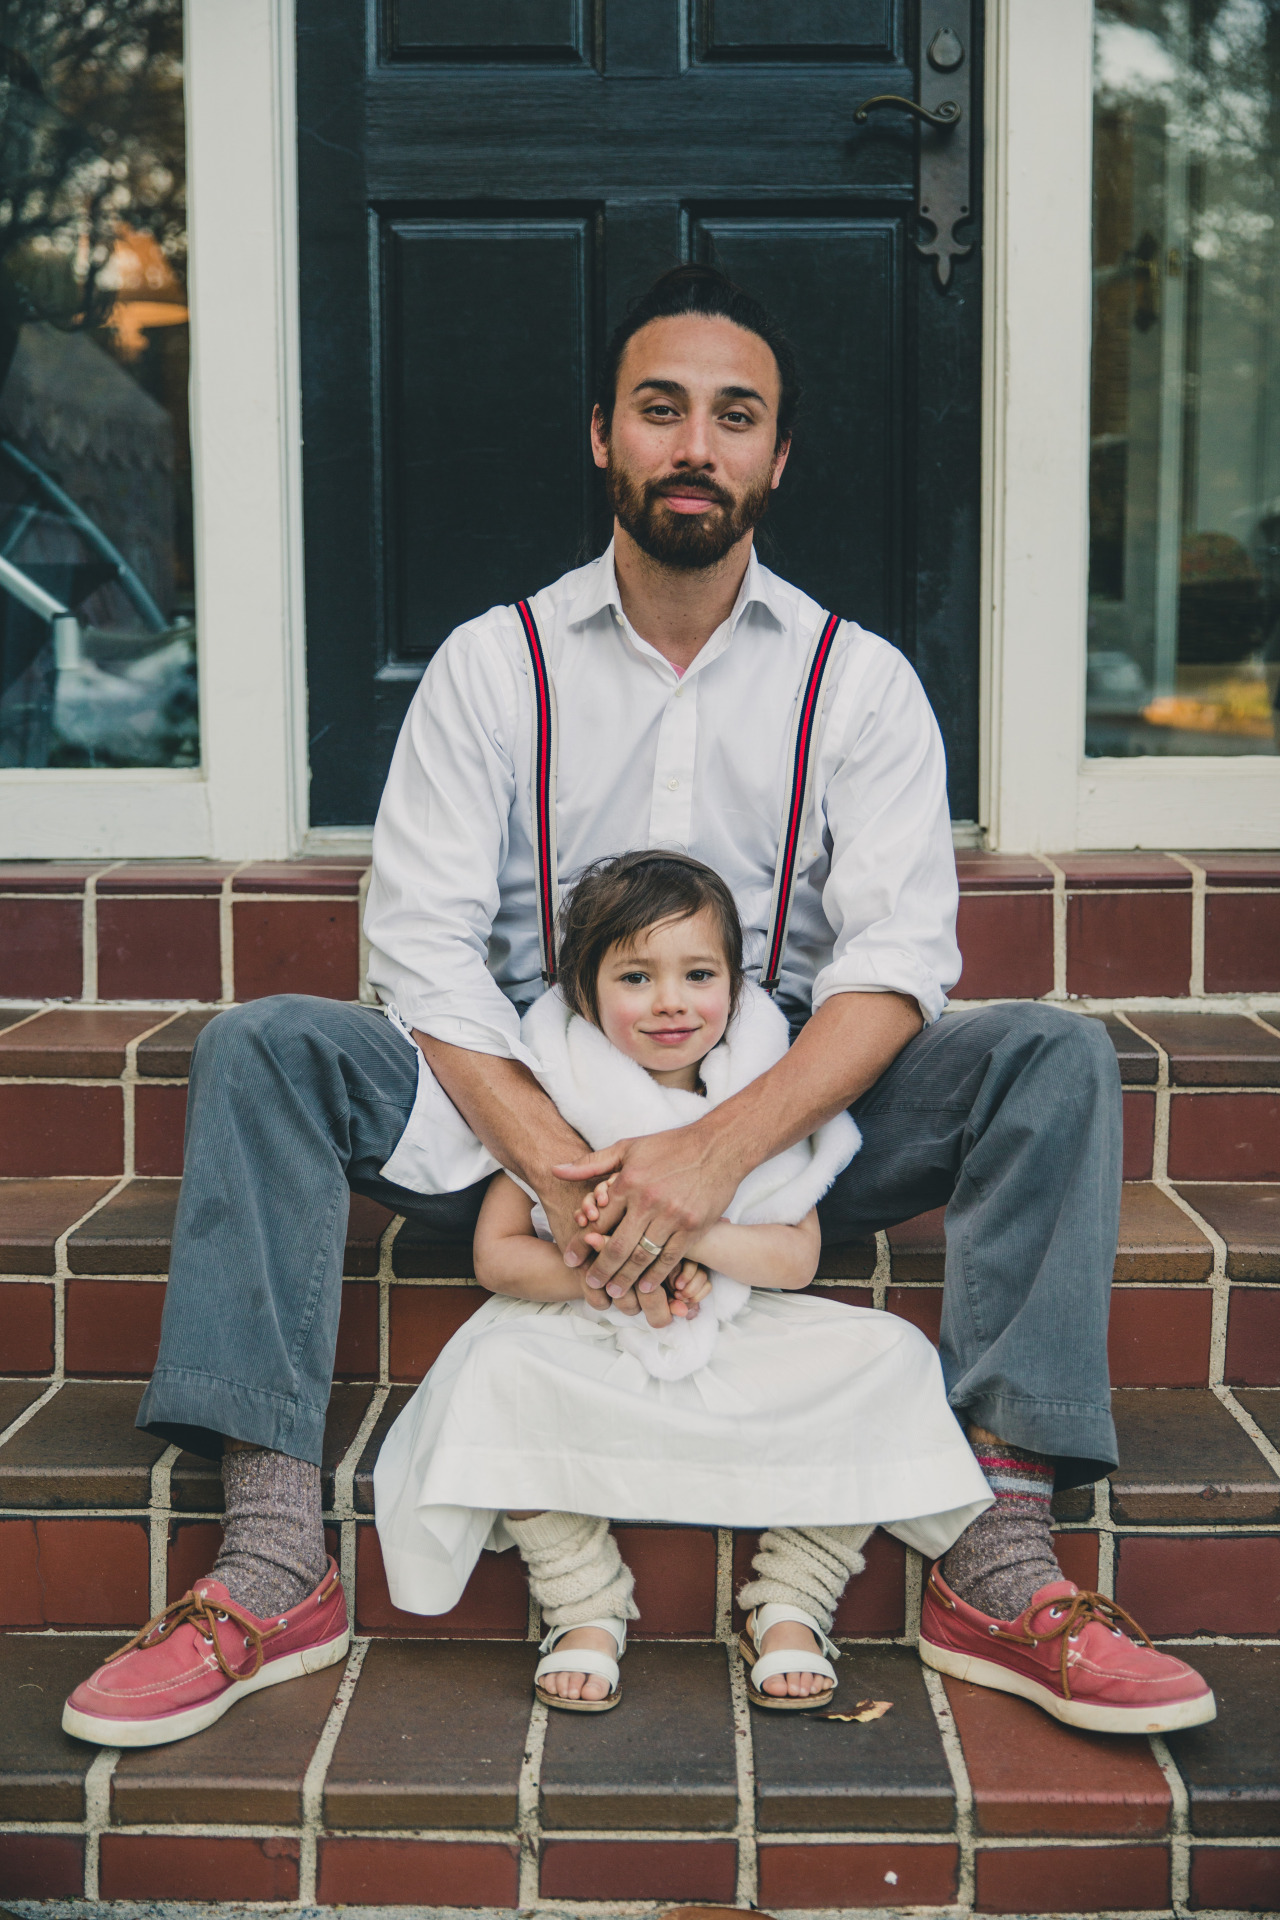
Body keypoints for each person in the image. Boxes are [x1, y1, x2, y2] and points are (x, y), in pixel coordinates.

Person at [63, 263, 1213, 1749]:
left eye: (736, 418)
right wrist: (567, 1170)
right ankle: (274, 1558)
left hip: (783, 1122)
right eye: (661, 410)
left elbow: (896, 966)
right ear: (600, 435)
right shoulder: (497, 665)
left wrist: (711, 1155)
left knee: (1050, 1058)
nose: (697, 445)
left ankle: (999, 1556)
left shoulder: (856, 687)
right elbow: (419, 953)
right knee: (267, 1047)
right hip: (522, 1117)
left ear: (777, 458)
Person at [374, 850, 994, 1711]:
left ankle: (793, 1594)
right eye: (636, 975)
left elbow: (795, 1257)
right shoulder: (557, 1094)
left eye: (698, 974)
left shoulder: (764, 1088)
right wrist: (604, 1279)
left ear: (734, 989)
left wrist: (698, 1238)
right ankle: (584, 1599)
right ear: (585, 996)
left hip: (740, 1326)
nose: (671, 1001)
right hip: (592, 1332)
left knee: (890, 1358)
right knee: (491, 1375)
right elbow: (498, 1256)